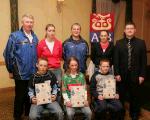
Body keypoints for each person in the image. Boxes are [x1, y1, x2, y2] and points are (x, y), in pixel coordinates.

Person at [3, 14, 38, 120]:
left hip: (32, 72)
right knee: (20, 96)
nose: (29, 24)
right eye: (27, 22)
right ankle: (17, 116)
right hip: (20, 72)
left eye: (31, 22)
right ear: (22, 23)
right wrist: (10, 70)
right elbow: (7, 53)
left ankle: (28, 114)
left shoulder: (35, 37)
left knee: (30, 94)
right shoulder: (14, 36)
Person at [114, 21, 147, 120]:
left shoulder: (141, 43)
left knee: (135, 96)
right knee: (121, 96)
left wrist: (142, 75)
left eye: (131, 28)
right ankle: (121, 113)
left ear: (135, 30)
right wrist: (116, 73)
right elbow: (116, 60)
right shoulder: (119, 43)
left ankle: (134, 114)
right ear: (124, 30)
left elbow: (144, 61)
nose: (129, 30)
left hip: (136, 75)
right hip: (122, 75)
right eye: (127, 28)